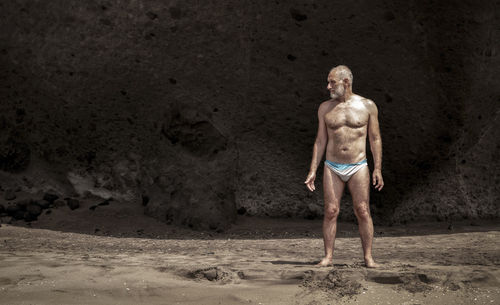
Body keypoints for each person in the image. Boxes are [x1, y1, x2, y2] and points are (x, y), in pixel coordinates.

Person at [304, 65, 383, 268]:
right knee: (331, 210)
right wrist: (313, 169)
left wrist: (378, 169)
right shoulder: (325, 108)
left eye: (332, 82)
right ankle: (328, 257)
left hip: (358, 165)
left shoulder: (368, 106)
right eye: (329, 82)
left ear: (346, 82)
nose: (328, 86)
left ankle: (368, 257)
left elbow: (375, 139)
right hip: (332, 166)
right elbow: (320, 140)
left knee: (363, 210)